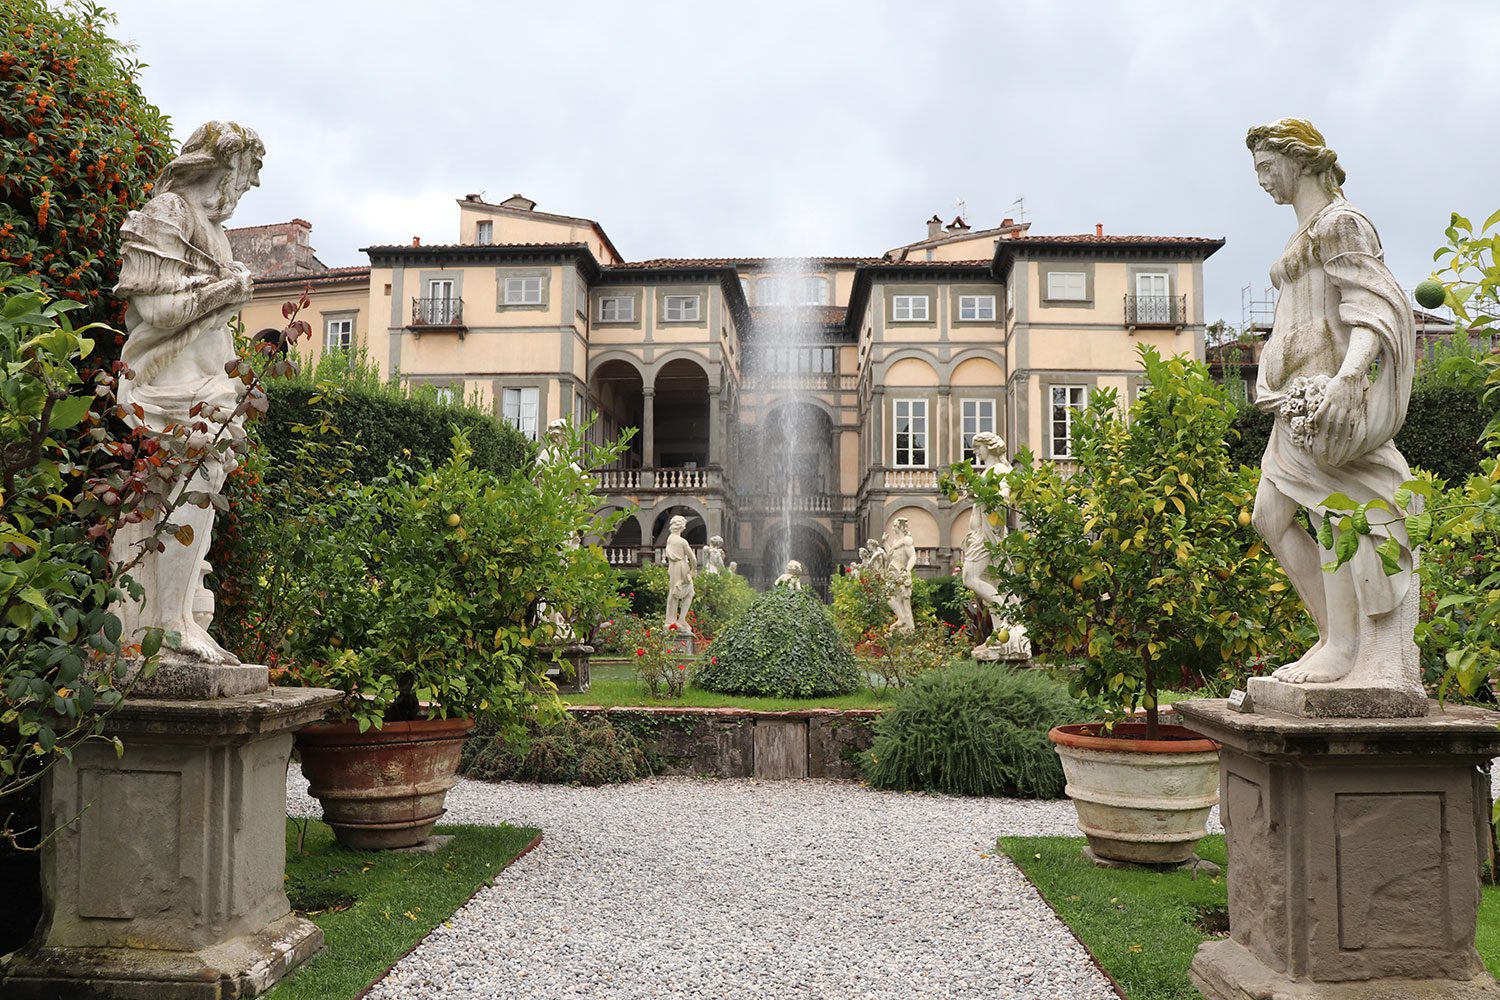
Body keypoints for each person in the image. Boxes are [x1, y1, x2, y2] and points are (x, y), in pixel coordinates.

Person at [1246, 118, 1419, 691]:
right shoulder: (1304, 230)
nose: (1263, 181)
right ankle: (1333, 639)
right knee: (1271, 517)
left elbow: (1370, 304)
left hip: (1326, 399)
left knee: (1334, 518)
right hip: (1294, 403)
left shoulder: (1340, 222)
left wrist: (1348, 379)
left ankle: (1346, 648)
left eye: (1269, 167)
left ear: (1300, 161)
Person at [113, 121, 264, 664]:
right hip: (169, 387)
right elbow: (156, 309)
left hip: (209, 386)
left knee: (198, 496)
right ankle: (166, 622)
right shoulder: (167, 214)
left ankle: (177, 617)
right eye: (242, 182)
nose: (240, 195)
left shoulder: (214, 232)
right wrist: (231, 285)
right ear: (221, 169)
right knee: (188, 489)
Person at [664, 515, 697, 630]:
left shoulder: (670, 538)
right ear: (682, 527)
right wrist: (693, 569)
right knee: (689, 592)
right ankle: (680, 619)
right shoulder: (682, 542)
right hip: (682, 567)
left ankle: (670, 619)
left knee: (673, 592)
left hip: (673, 568)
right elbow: (693, 559)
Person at [883, 517, 916, 632]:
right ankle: (902, 619)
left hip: (900, 572)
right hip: (893, 571)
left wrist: (907, 570)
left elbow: (913, 556)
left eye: (894, 526)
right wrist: (884, 543)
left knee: (902, 600)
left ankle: (905, 623)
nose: (892, 528)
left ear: (900, 527)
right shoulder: (895, 542)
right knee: (890, 596)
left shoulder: (907, 540)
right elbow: (890, 554)